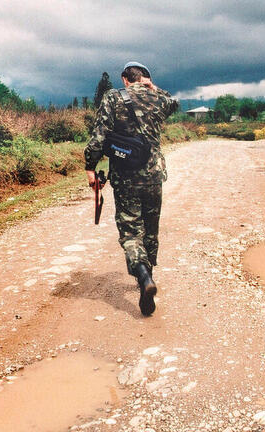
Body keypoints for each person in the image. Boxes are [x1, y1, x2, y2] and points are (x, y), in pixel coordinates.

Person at [84, 61, 178, 316]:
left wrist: (90, 167)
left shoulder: (114, 98)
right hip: (154, 177)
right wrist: (153, 87)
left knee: (130, 232)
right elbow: (174, 103)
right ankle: (146, 282)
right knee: (150, 231)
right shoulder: (158, 98)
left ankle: (143, 275)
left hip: (126, 178)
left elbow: (99, 136)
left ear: (125, 79)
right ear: (146, 79)